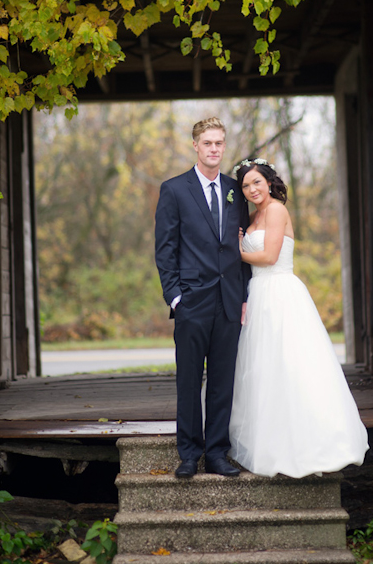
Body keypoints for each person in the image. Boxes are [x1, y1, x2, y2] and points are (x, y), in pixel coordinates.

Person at [229, 158, 369, 478]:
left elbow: (268, 256)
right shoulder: (252, 216)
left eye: (257, 183)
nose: (252, 189)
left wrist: (234, 250)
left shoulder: (277, 210)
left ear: (269, 182)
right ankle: (269, 440)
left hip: (280, 293)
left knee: (291, 365)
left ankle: (307, 443)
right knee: (263, 370)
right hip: (258, 295)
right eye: (246, 186)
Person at [155, 117, 250, 478]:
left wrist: (243, 295)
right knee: (189, 381)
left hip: (229, 301)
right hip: (192, 301)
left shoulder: (234, 190)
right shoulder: (174, 190)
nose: (214, 149)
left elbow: (239, 249)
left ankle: (217, 454)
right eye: (207, 143)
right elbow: (165, 249)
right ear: (195, 146)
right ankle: (188, 455)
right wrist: (175, 297)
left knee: (222, 382)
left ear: (225, 147)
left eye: (219, 143)